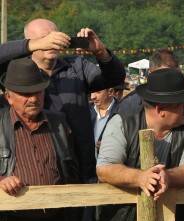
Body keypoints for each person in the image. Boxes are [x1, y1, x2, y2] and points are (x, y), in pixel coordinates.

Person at [0, 19, 125, 183]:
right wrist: (33, 45)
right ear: (30, 42)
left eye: (55, 36)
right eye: (45, 38)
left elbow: (114, 78)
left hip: (80, 168)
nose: (51, 41)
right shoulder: (19, 72)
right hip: (32, 168)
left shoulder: (77, 66)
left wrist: (100, 51)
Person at [96, 68, 184, 221]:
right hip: (121, 220)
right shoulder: (121, 123)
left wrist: (169, 177)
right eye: (182, 103)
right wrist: (140, 178)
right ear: (160, 110)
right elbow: (104, 169)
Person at [0, 57, 79, 221]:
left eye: (38, 92)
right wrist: (1, 180)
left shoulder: (59, 123)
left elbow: (72, 169)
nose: (34, 99)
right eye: (26, 94)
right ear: (9, 97)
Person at [117, 48, 180, 116]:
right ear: (150, 72)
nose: (167, 80)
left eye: (172, 75)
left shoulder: (183, 102)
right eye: (163, 75)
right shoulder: (129, 104)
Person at [90, 86, 119, 157]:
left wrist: (110, 146)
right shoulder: (86, 110)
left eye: (98, 92)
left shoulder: (122, 112)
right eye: (91, 91)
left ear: (110, 92)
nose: (92, 96)